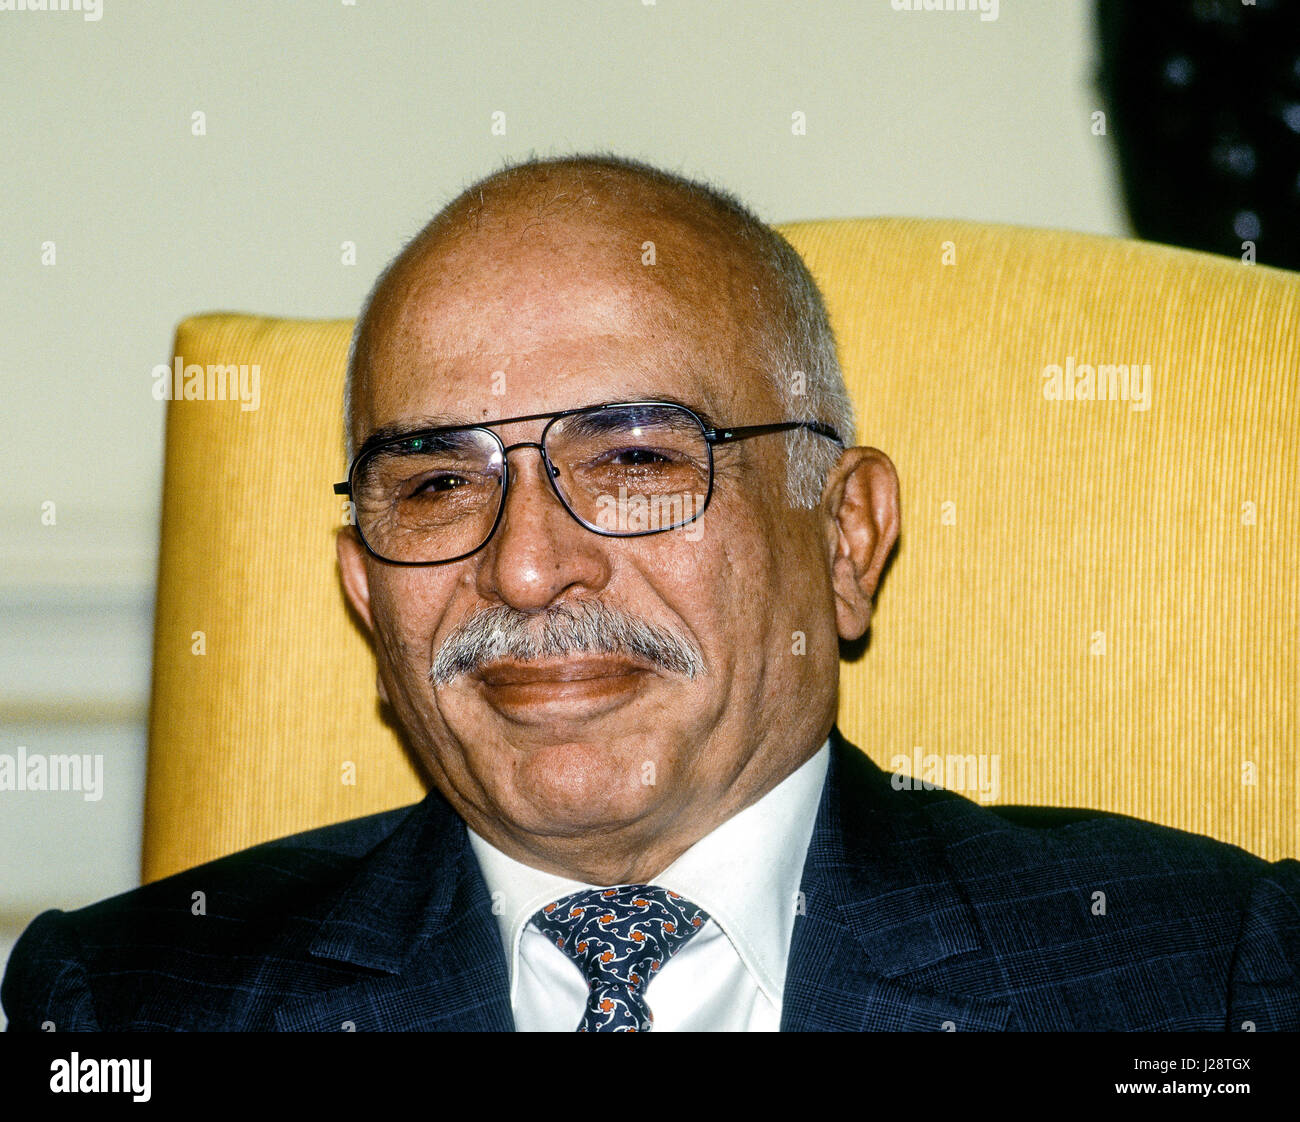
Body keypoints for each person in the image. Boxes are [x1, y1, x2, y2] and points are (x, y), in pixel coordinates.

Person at [5, 155, 1298, 1032]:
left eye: (632, 461)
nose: (523, 567)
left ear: (847, 537)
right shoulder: (121, 1003)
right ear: (363, 594)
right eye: (439, 488)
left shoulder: (1198, 974)